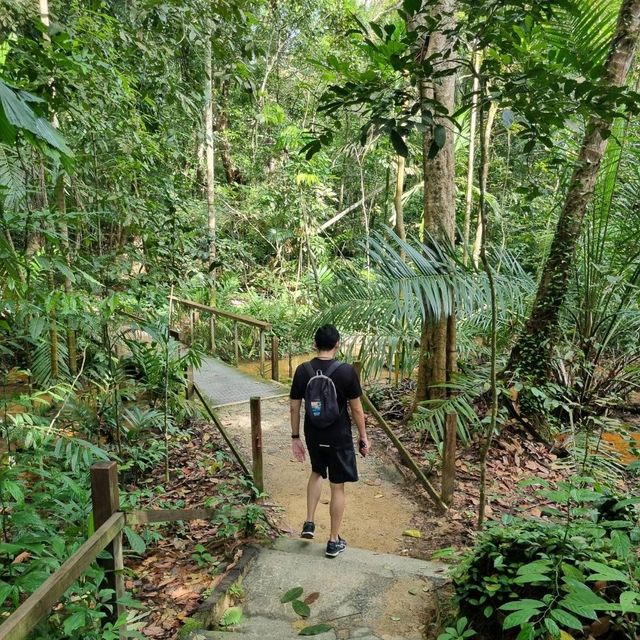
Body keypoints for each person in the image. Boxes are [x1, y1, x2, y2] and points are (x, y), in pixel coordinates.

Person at [289, 324, 370, 558]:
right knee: (337, 486)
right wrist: (363, 437)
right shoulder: (346, 371)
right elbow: (356, 409)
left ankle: (309, 522)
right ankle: (334, 540)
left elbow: (294, 406)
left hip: (313, 433)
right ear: (337, 344)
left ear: (315, 344)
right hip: (338, 435)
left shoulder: (302, 370)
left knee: (316, 472)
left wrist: (295, 437)